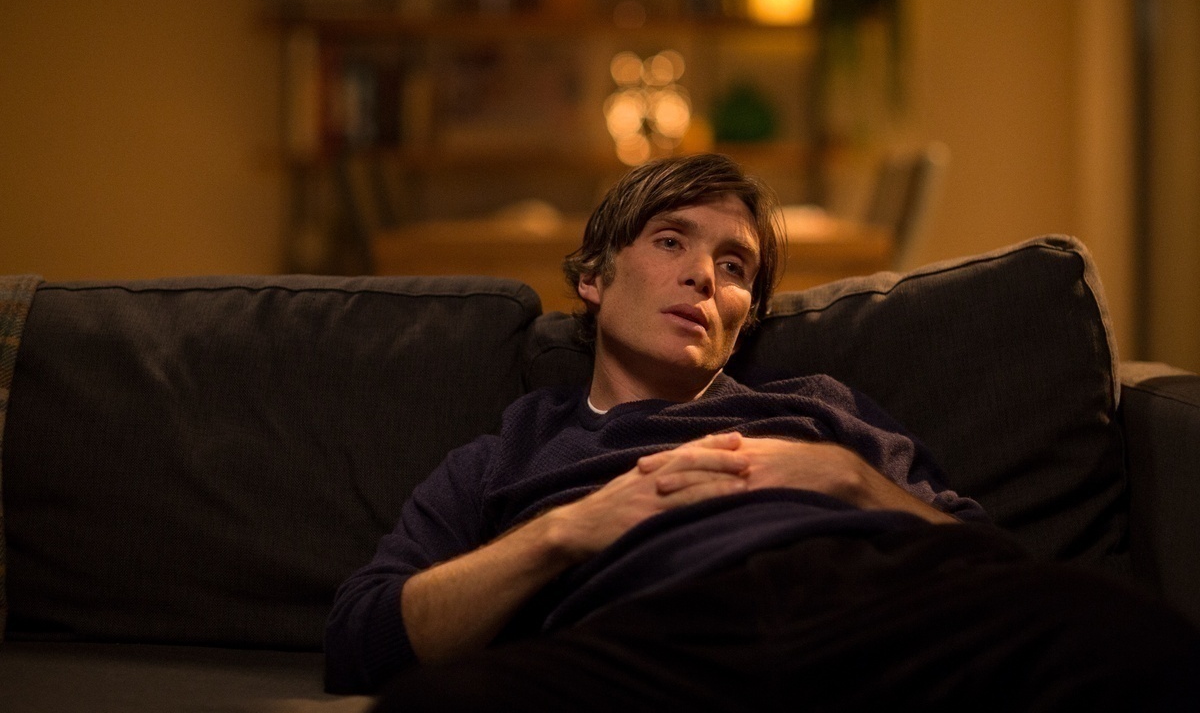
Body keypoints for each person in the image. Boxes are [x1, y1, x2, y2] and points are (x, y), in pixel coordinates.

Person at [326, 154, 1200, 710]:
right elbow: (362, 641)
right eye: (671, 242)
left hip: (871, 611)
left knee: (1134, 642)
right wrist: (569, 530)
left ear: (746, 313)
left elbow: (997, 568)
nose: (704, 276)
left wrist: (852, 482)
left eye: (734, 264)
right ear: (594, 277)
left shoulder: (823, 410)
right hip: (649, 639)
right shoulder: (507, 455)